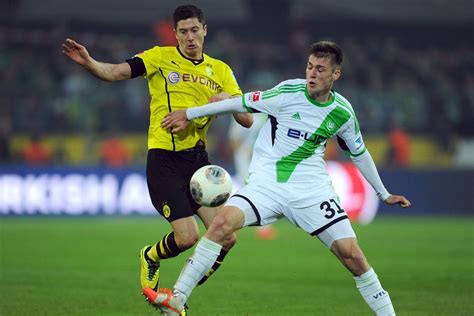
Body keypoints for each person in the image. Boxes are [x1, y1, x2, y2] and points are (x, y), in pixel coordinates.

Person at [149, 41, 411, 315]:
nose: (312, 73)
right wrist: (187, 115)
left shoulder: (343, 112)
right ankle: (177, 298)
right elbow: (238, 103)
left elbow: (359, 153)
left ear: (335, 75)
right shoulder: (287, 92)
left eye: (321, 69)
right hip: (266, 186)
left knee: (353, 257)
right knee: (222, 224)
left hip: (312, 192)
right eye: (310, 66)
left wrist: (383, 193)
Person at [62, 5, 253, 315]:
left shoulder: (221, 70)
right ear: (175, 34)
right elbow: (115, 72)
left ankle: (183, 292)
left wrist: (227, 101)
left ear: (204, 30)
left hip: (198, 163)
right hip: (164, 162)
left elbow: (246, 120)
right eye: (183, 32)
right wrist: (89, 63)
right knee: (188, 237)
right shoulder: (159, 58)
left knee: (229, 235)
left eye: (194, 30)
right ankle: (151, 255)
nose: (190, 37)